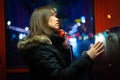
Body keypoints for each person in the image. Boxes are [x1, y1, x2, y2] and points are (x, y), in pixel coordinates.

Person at [17, 5, 104, 80]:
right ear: (42, 20)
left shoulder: (50, 44)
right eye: (52, 16)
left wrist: (66, 48)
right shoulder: (40, 48)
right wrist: (87, 57)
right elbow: (60, 77)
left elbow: (67, 69)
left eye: (56, 16)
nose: (57, 19)